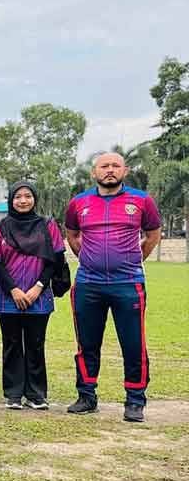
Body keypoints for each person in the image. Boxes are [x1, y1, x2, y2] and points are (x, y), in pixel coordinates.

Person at [64, 152, 162, 422]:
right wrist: (86, 257)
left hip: (128, 283)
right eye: (104, 166)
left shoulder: (141, 200)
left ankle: (134, 400)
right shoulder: (79, 202)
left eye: (115, 166)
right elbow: (72, 234)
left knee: (133, 344)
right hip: (88, 284)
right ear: (94, 172)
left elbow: (153, 235)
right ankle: (86, 396)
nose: (110, 170)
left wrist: (134, 259)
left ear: (125, 170)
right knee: (87, 343)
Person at [0, 182, 65, 410]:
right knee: (11, 343)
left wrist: (38, 287)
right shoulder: (0, 228)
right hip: (7, 295)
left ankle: (36, 394)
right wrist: (13, 289)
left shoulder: (48, 226)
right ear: (11, 200)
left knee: (35, 344)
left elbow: (56, 259)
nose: (23, 201)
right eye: (18, 197)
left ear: (34, 199)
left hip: (38, 296)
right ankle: (13, 394)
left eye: (28, 196)